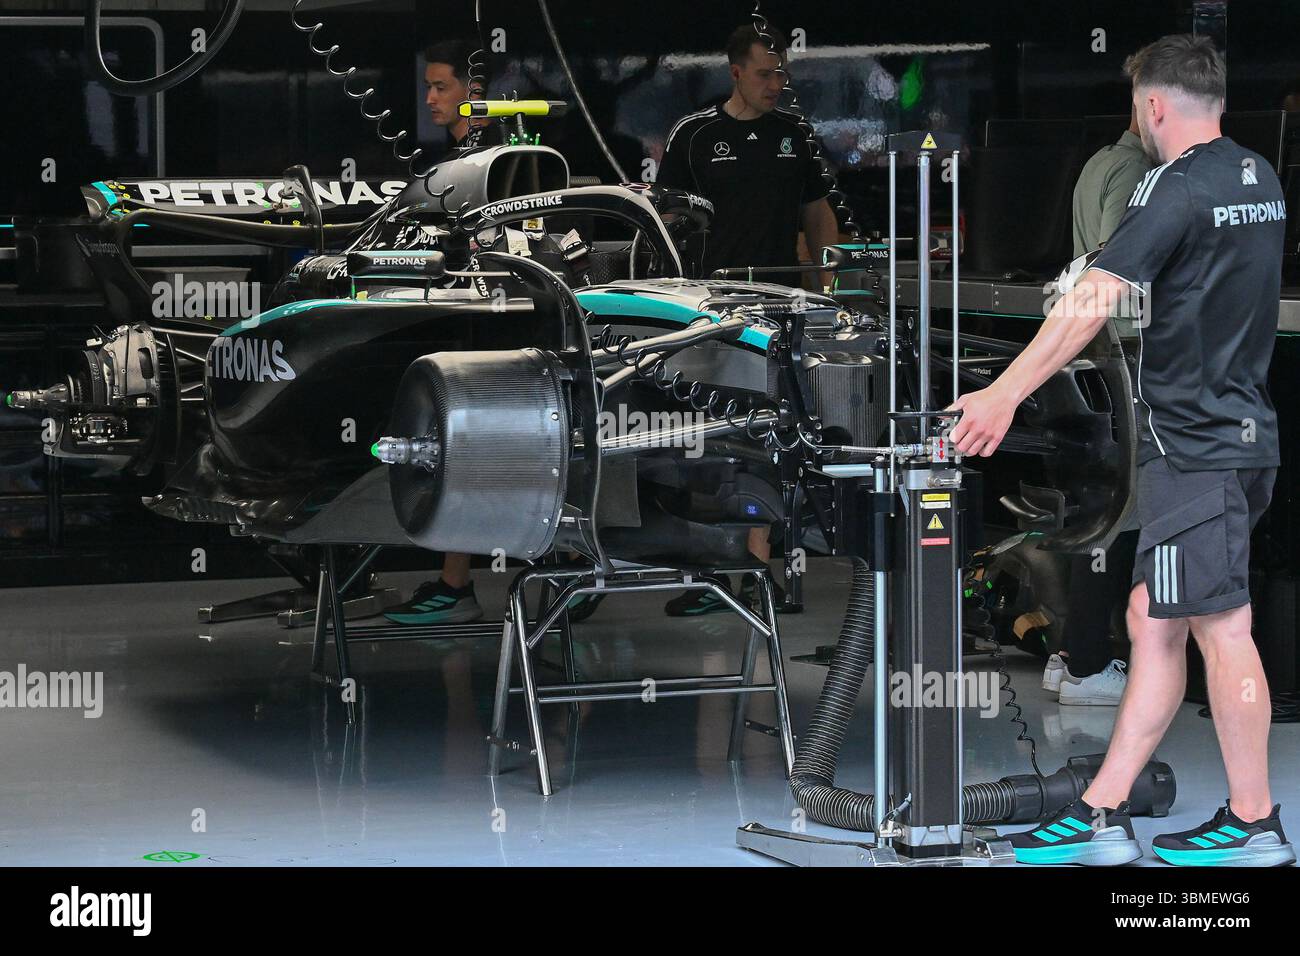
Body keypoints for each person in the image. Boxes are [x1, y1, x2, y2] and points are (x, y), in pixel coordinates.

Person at [952, 34, 1293, 866]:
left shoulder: (1171, 189)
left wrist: (1005, 392)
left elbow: (1091, 302)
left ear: (1153, 105)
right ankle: (1104, 813)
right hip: (1243, 434)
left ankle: (1254, 823)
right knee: (1153, 619)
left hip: (1196, 446)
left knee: (1222, 626)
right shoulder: (1260, 177)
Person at [653, 22, 840, 615]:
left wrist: (826, 283)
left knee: (769, 434)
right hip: (706, 309)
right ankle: (705, 571)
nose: (776, 84)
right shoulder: (694, 135)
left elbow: (818, 211)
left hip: (778, 308)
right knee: (704, 436)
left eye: (782, 72)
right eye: (764, 73)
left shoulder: (795, 134)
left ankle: (757, 571)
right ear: (735, 71)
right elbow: (666, 222)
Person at [1040, 106, 1155, 705]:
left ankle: (1071, 653)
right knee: (1123, 513)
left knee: (1099, 506)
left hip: (1092, 353)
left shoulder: (1098, 161)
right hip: (1125, 351)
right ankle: (1087, 660)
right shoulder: (1137, 166)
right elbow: (1119, 257)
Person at [385, 38, 499, 626]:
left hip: (494, 323)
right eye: (427, 86)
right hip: (453, 316)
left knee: (466, 441)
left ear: (471, 92)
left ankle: (456, 584)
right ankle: (453, 577)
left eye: (441, 87)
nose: (429, 98)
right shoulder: (445, 163)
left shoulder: (497, 160)